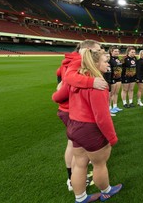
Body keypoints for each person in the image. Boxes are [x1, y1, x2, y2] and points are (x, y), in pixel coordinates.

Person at [53, 49, 123, 203]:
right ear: (95, 63)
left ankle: (81, 198)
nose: (108, 63)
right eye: (105, 61)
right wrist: (112, 137)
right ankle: (106, 191)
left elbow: (57, 97)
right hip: (90, 129)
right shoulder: (99, 84)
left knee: (79, 164)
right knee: (99, 164)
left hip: (74, 126)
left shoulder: (75, 78)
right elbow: (102, 117)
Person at [56, 40, 106, 191]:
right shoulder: (78, 61)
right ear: (88, 50)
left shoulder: (69, 61)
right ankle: (72, 180)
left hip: (69, 109)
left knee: (75, 145)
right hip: (72, 110)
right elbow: (66, 83)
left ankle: (73, 177)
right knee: (73, 145)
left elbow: (59, 79)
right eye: (97, 50)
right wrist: (91, 82)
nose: (99, 52)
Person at [108, 47, 123, 114]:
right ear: (111, 52)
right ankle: (109, 108)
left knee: (116, 93)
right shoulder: (109, 59)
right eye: (115, 51)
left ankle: (115, 106)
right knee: (111, 94)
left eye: (117, 51)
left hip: (118, 78)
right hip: (112, 78)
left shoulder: (118, 59)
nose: (117, 52)